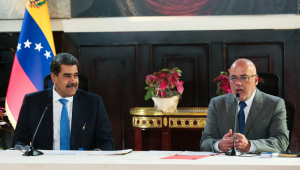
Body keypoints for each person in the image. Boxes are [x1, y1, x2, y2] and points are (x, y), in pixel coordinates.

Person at [12, 53, 115, 150]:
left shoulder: (93, 102)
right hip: (44, 164)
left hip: (81, 165)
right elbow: (19, 140)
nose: (73, 81)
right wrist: (26, 152)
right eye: (67, 76)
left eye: (76, 75)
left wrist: (95, 155)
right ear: (54, 78)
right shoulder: (32, 102)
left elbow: (107, 141)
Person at [200, 59, 288, 153]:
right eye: (233, 78)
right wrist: (219, 145)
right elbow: (205, 141)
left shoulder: (274, 104)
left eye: (244, 78)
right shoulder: (217, 104)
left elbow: (281, 141)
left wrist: (250, 146)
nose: (238, 83)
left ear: (256, 80)